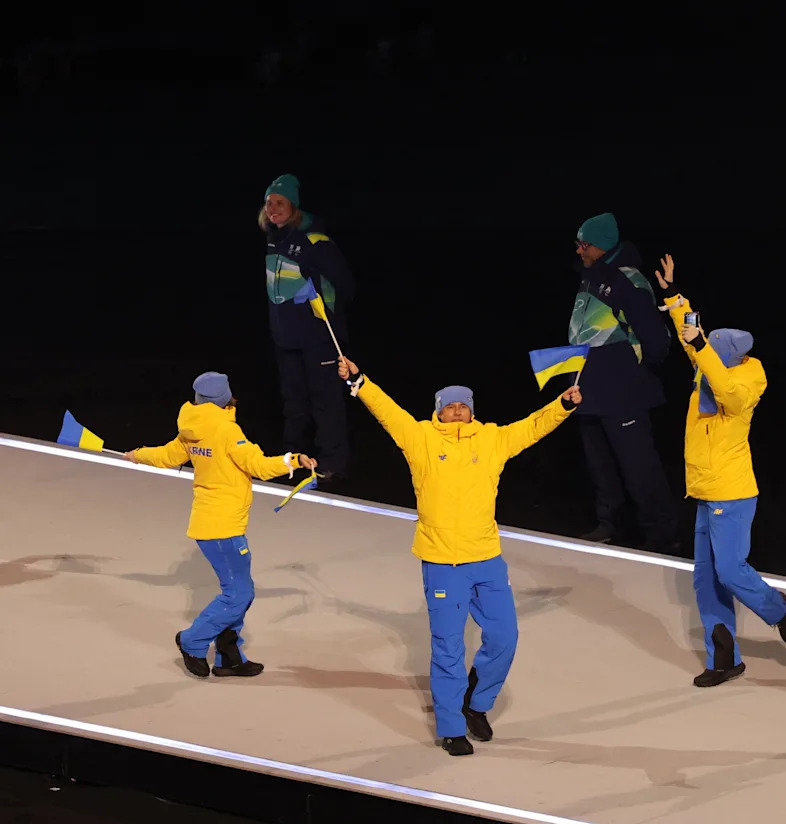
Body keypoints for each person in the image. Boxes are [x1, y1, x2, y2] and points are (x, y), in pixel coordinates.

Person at [336, 356, 580, 756]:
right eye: (449, 406)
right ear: (438, 411)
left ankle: (476, 704)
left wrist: (563, 405)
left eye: (462, 406)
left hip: (486, 558)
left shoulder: (492, 439)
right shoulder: (420, 438)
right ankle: (451, 728)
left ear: (471, 411)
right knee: (448, 648)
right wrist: (359, 380)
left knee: (504, 637)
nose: (456, 411)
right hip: (443, 563)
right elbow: (387, 411)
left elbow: (532, 427)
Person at [652, 254, 786, 687]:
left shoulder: (745, 384)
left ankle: (776, 608)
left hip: (732, 492)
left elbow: (725, 390)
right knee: (705, 580)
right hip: (704, 489)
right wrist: (673, 296)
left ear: (730, 357)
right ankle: (724, 659)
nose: (701, 357)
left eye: (710, 353)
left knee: (731, 571)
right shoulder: (713, 363)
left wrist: (702, 349)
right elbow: (693, 346)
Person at [124, 371, 317, 679]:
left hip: (214, 524)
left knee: (240, 591)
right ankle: (192, 641)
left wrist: (137, 455)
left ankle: (230, 655)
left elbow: (167, 455)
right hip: (222, 528)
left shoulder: (192, 428)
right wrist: (292, 460)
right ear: (225, 398)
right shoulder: (227, 430)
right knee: (238, 594)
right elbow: (257, 465)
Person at [568, 211, 678, 552]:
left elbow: (656, 341)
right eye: (579, 244)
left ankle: (661, 534)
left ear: (601, 245)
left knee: (639, 466)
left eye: (584, 244)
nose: (579, 250)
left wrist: (628, 369)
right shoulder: (590, 277)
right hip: (588, 389)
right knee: (600, 465)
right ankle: (610, 525)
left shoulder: (628, 280)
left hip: (622, 392)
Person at [261, 173, 357, 484]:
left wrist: (322, 307)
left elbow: (346, 286)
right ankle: (293, 457)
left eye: (280, 203)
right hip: (286, 337)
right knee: (293, 402)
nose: (273, 209)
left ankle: (331, 461)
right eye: (269, 203)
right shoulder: (274, 238)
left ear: (294, 206)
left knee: (325, 401)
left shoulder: (315, 241)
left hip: (318, 338)